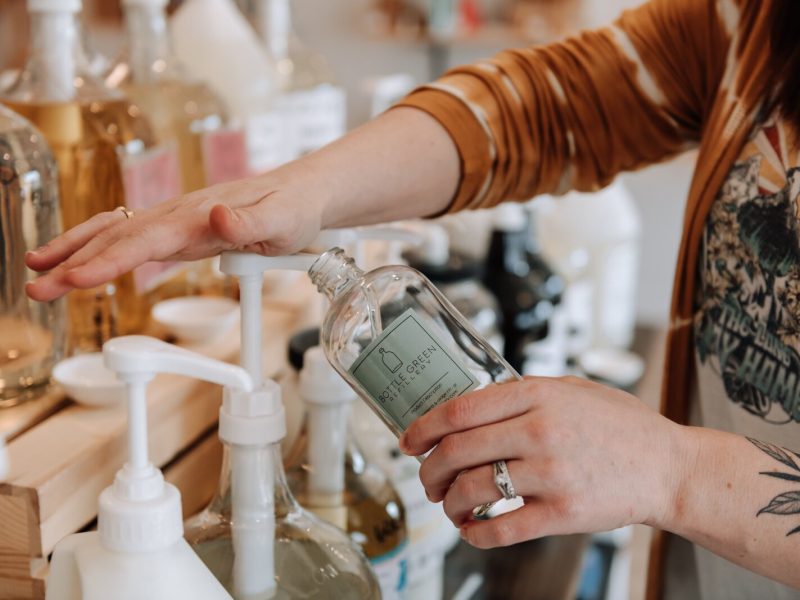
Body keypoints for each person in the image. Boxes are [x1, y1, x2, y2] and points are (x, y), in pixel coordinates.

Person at [23, 0, 800, 597]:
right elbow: (557, 106)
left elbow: (674, 475)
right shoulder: (758, 19)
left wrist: (675, 473)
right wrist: (292, 192)